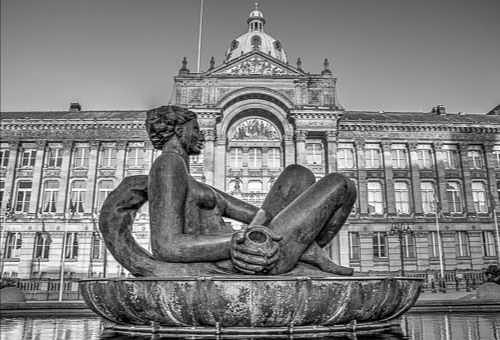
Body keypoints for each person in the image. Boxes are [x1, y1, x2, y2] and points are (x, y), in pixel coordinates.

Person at [99, 105, 356, 277]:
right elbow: (167, 245)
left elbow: (257, 213)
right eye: (196, 129)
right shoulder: (167, 165)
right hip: (250, 257)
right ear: (179, 130)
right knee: (340, 184)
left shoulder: (188, 178)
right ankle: (306, 253)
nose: (201, 134)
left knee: (298, 174)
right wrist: (237, 242)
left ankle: (306, 250)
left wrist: (268, 230)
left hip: (256, 243)